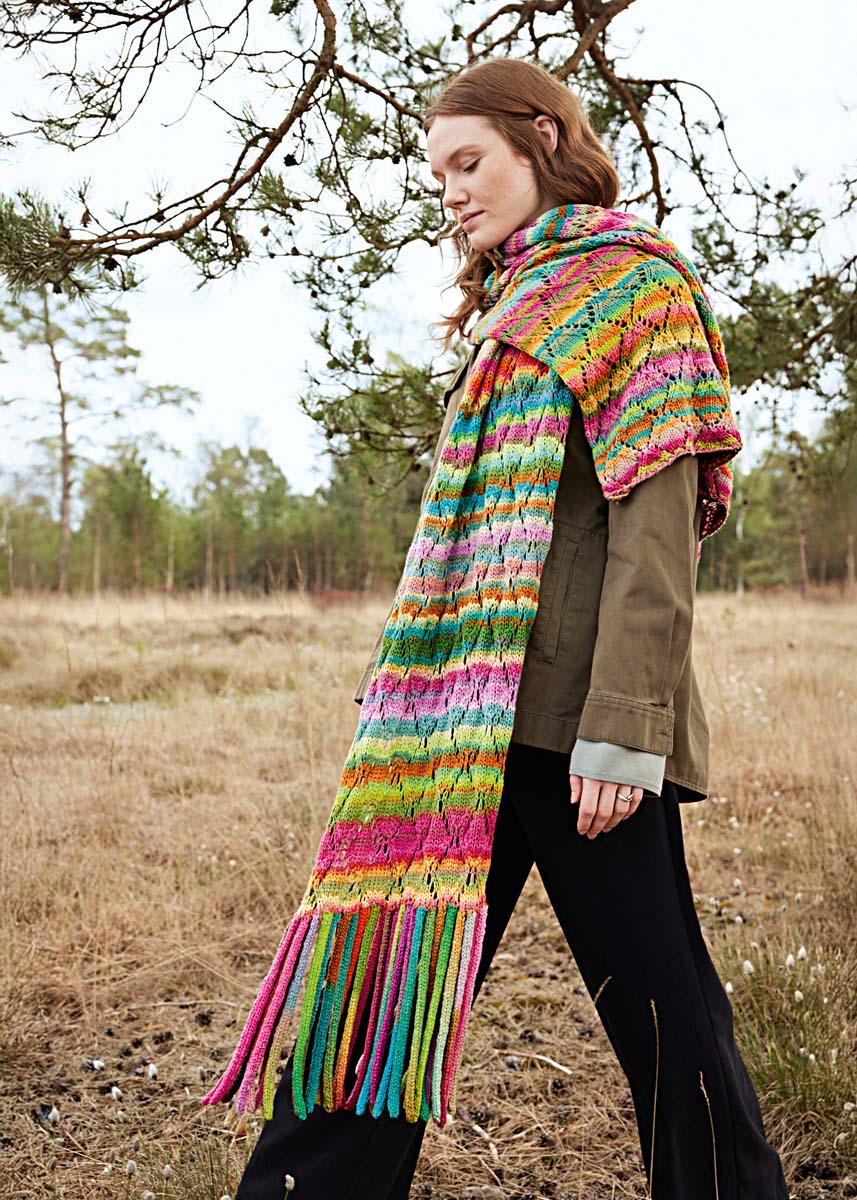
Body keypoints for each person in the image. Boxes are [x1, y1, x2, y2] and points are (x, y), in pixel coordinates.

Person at [220, 57, 790, 1200]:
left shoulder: (633, 289)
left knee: (669, 1024)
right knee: (380, 990)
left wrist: (622, 732)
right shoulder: (514, 303)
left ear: (543, 139)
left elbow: (654, 528)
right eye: (437, 173)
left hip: (579, 739)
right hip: (458, 729)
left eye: (468, 161)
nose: (451, 191)